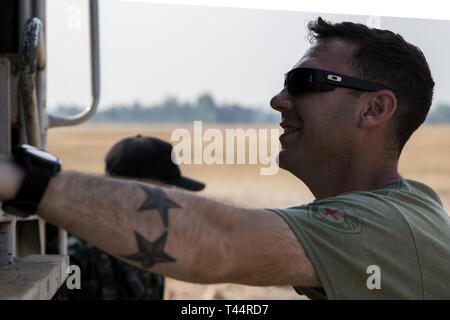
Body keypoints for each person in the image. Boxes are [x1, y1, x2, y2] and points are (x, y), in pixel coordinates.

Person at [1, 17, 449, 299]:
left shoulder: (386, 228)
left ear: (374, 108)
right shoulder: (403, 213)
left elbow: (217, 240)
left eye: (304, 81)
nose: (279, 100)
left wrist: (19, 180)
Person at [54, 135, 205, 299]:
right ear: (129, 192)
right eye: (163, 193)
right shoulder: (77, 248)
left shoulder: (148, 242)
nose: (169, 205)